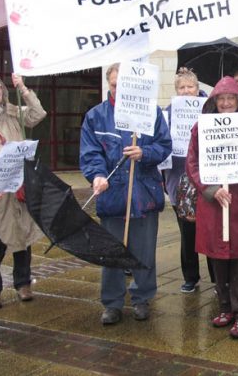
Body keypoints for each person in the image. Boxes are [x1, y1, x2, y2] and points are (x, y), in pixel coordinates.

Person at [80, 63, 172, 324]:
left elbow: (164, 145)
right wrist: (97, 175)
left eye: (123, 85)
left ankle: (142, 297)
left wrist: (145, 153)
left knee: (144, 252)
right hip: (112, 195)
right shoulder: (95, 116)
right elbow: (90, 152)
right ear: (109, 85)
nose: (118, 90)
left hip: (144, 192)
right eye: (113, 85)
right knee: (112, 252)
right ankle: (112, 302)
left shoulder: (151, 113)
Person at [186, 76, 238, 339]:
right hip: (213, 203)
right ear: (213, 102)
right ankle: (225, 307)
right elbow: (193, 163)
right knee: (217, 259)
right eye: (220, 99)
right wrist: (210, 190)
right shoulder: (201, 128)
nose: (225, 103)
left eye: (230, 99)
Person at [0, 73, 47, 309]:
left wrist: (22, 88)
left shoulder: (13, 112)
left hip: (18, 189)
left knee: (22, 236)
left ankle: (23, 283)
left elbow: (37, 114)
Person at [163, 68, 212, 293]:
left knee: (211, 230)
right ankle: (190, 277)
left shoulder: (210, 110)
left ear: (197, 88)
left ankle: (217, 277)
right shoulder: (168, 113)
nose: (186, 91)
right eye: (181, 88)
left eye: (189, 87)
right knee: (187, 232)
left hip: (205, 179)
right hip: (178, 178)